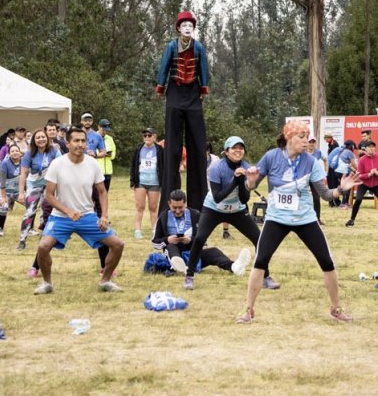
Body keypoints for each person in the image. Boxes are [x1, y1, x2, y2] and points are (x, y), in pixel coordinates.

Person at [237, 121, 359, 324]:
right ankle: (248, 310)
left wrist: (341, 189)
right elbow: (251, 186)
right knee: (261, 260)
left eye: (307, 137)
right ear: (288, 138)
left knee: (327, 261)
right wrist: (250, 180)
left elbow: (326, 195)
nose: (306, 142)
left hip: (305, 218)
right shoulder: (271, 157)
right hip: (277, 218)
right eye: (301, 137)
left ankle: (336, 308)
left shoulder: (311, 162)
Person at [33, 126, 124, 295]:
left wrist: (104, 216)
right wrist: (67, 211)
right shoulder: (57, 164)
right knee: (43, 247)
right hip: (60, 217)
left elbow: (103, 192)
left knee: (118, 245)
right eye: (76, 140)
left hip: (87, 216)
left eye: (83, 141)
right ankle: (47, 283)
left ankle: (105, 281)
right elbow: (49, 196)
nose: (80, 144)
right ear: (67, 143)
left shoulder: (93, 164)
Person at [183, 136, 278, 291]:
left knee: (259, 239)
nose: (238, 151)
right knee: (199, 238)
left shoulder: (246, 168)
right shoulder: (216, 168)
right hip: (214, 208)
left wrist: (245, 181)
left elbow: (244, 199)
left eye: (241, 148)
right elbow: (218, 197)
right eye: (234, 148)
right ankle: (189, 276)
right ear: (226, 152)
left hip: (236, 210)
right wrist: (235, 179)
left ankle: (265, 277)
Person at [155, 11, 211, 212]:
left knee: (197, 144)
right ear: (178, 28)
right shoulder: (171, 46)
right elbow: (164, 66)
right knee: (173, 147)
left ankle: (199, 205)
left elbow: (203, 67)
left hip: (193, 92)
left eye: (190, 25)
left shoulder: (199, 47)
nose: (187, 28)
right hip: (175, 91)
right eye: (184, 25)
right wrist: (160, 86)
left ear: (193, 28)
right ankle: (170, 202)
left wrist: (204, 87)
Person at [154, 189, 250, 282]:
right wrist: (167, 240)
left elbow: (204, 240)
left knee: (214, 251)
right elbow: (154, 242)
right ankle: (179, 266)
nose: (178, 211)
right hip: (172, 254)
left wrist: (190, 240)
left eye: (181, 207)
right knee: (171, 247)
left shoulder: (195, 215)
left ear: (185, 204)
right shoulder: (163, 217)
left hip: (193, 255)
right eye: (174, 208)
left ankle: (234, 266)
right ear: (169, 204)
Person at [15, 129, 60, 251]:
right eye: (38, 138)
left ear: (47, 138)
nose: (41, 139)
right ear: (34, 140)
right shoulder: (29, 154)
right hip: (34, 185)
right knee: (30, 212)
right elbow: (23, 174)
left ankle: (47, 239)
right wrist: (21, 193)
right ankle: (22, 240)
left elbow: (62, 168)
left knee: (49, 212)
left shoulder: (54, 151)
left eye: (43, 137)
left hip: (49, 185)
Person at [130, 127, 165, 240]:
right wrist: (133, 181)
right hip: (141, 181)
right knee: (140, 206)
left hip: (154, 182)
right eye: (145, 136)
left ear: (155, 137)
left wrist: (163, 182)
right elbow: (133, 165)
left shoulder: (160, 149)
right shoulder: (139, 149)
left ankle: (155, 230)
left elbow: (163, 166)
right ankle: (137, 230)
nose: (147, 138)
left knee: (153, 207)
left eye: (149, 136)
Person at [346, 139, 378, 228]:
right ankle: (351, 220)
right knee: (358, 200)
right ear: (365, 149)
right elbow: (360, 175)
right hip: (364, 184)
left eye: (373, 147)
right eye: (369, 147)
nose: (371, 149)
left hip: (376, 184)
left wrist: (377, 173)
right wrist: (369, 174)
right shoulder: (362, 160)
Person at [0, 145, 22, 237]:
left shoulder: (24, 162)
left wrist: (23, 193)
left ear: (20, 152)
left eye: (16, 150)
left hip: (17, 191)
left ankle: (30, 228)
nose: (15, 152)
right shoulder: (5, 163)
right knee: (4, 207)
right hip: (5, 191)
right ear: (9, 154)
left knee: (31, 204)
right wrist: (3, 197)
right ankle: (0, 228)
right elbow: (2, 182)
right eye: (12, 151)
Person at [99, 119, 116, 190]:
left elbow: (114, 152)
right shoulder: (94, 137)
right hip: (98, 171)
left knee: (105, 193)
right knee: (96, 194)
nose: (104, 132)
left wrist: (110, 155)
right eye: (103, 129)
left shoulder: (110, 139)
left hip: (108, 171)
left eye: (106, 130)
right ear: (98, 127)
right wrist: (101, 154)